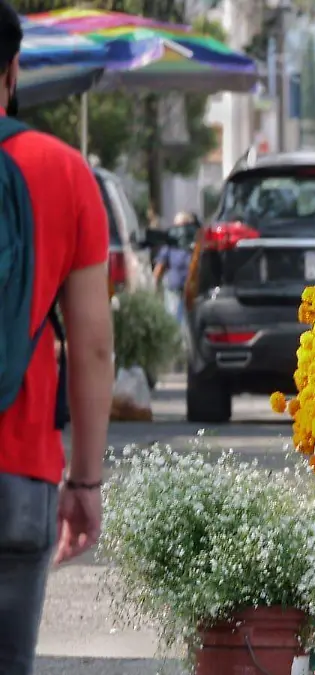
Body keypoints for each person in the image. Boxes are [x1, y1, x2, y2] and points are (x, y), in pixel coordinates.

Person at [0, 4, 114, 672]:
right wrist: (86, 480)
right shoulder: (64, 171)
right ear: (13, 70)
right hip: (20, 474)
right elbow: (93, 347)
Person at [154, 211, 198, 330]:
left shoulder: (196, 244)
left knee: (189, 326)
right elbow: (160, 267)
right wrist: (154, 288)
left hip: (192, 293)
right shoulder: (170, 245)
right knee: (174, 324)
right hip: (174, 291)